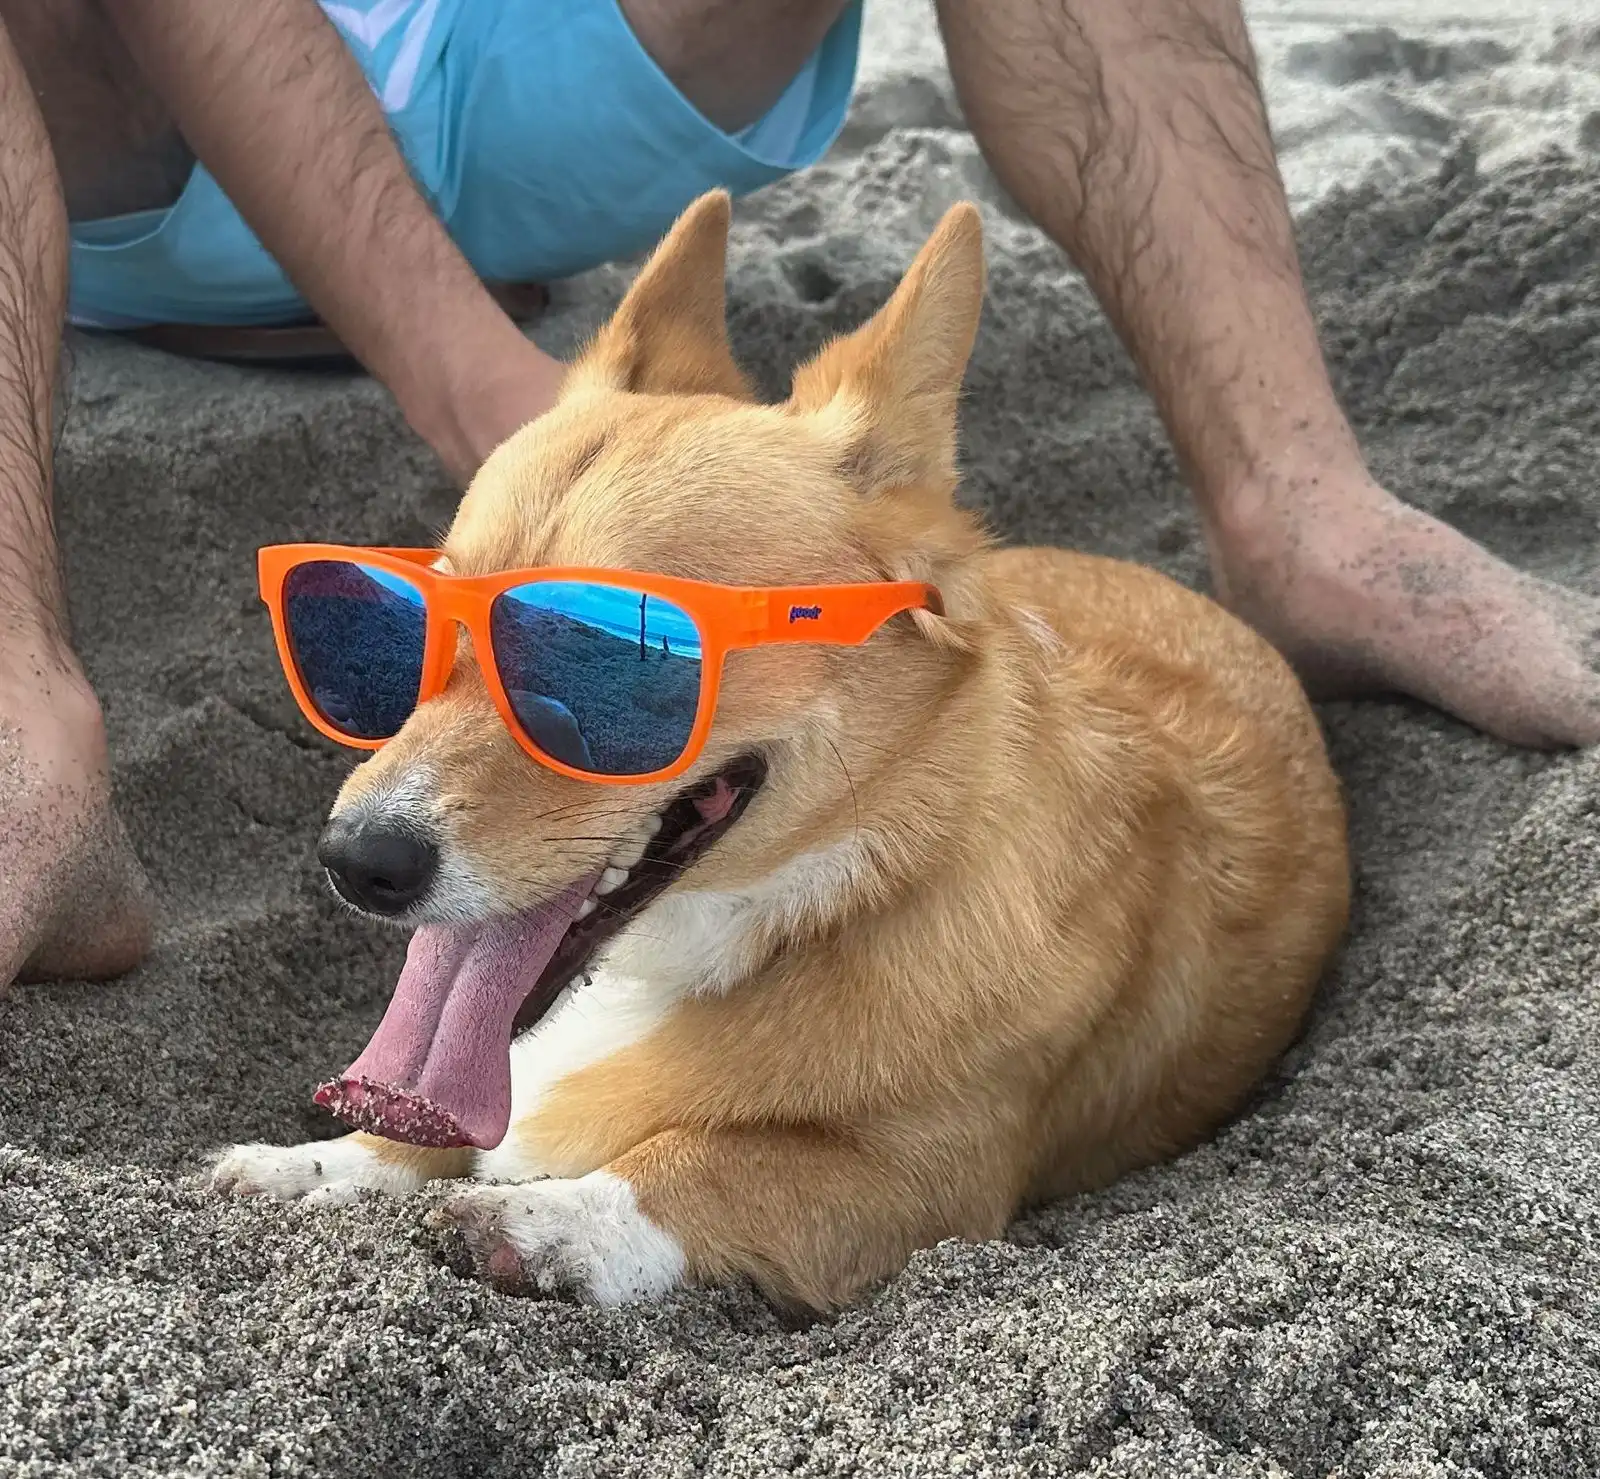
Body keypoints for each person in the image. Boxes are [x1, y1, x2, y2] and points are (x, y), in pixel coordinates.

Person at [1, 0, 1595, 990]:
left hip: (489, 61)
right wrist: (519, 416)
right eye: (366, 636)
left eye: (606, 662)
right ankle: (24, 706)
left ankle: (1299, 502)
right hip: (96, 122)